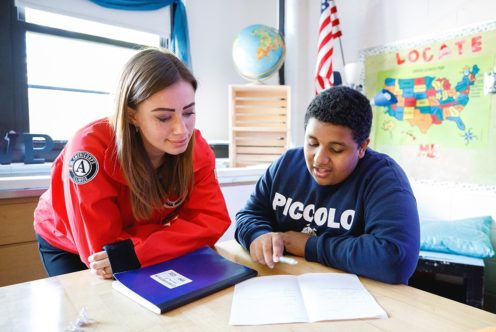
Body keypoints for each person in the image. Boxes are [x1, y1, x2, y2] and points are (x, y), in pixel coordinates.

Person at [33, 48, 231, 279]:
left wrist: (141, 251)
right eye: (164, 117)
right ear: (131, 115)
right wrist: (171, 239)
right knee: (94, 308)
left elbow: (212, 220)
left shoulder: (197, 149)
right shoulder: (88, 151)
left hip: (139, 245)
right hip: (67, 243)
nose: (182, 130)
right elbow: (103, 252)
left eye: (188, 113)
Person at [235, 86, 420, 284]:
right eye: (312, 143)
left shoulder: (385, 178)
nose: (320, 159)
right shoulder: (286, 164)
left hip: (361, 298)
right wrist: (258, 235)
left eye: (336, 149)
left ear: (362, 147)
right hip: (286, 285)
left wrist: (307, 245)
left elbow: (394, 259)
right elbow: (249, 215)